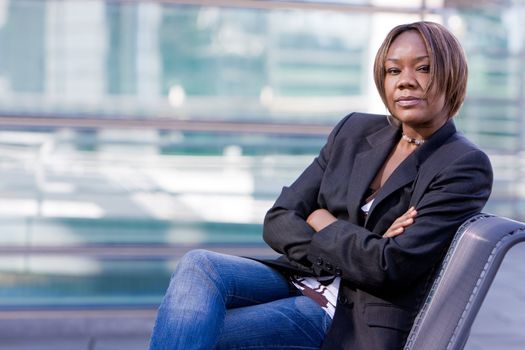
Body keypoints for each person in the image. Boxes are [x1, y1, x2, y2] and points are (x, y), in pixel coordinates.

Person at [148, 21, 493, 350]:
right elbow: (279, 218)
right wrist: (361, 245)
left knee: (195, 333)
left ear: (452, 75)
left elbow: (389, 267)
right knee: (199, 265)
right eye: (393, 70)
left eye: (424, 68)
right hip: (300, 278)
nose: (405, 81)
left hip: (352, 316)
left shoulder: (462, 165)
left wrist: (323, 221)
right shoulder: (355, 132)